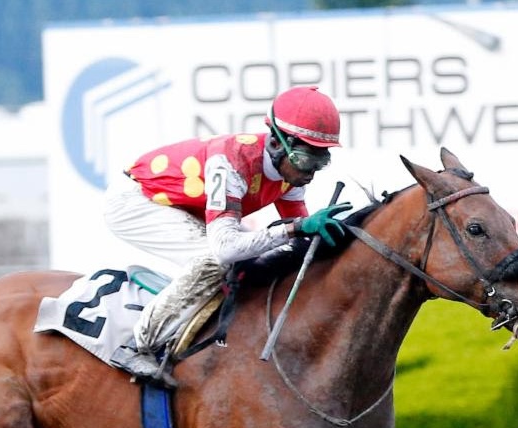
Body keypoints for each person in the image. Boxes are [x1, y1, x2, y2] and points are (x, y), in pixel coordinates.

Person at [103, 85, 351, 387]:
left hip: (185, 205)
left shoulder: (290, 174)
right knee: (215, 261)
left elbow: (299, 236)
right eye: (304, 160)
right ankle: (136, 345)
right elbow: (226, 248)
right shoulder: (231, 163)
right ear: (276, 143)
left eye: (320, 162)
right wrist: (298, 228)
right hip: (137, 201)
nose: (310, 173)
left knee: (257, 258)